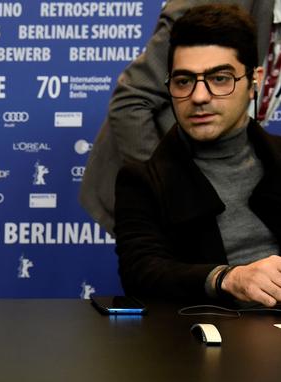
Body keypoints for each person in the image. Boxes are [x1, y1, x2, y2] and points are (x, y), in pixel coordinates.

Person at [115, 4, 281, 306]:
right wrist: (227, 278)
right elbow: (142, 274)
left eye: (220, 79)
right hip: (204, 343)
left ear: (254, 82)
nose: (199, 96)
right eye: (184, 81)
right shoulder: (141, 181)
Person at [79, 0, 273, 235]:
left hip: (229, 181)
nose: (200, 95)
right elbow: (131, 101)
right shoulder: (208, 4)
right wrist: (169, 188)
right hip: (169, 198)